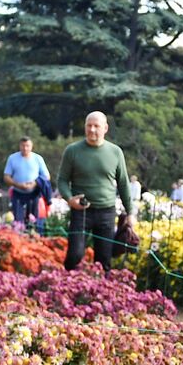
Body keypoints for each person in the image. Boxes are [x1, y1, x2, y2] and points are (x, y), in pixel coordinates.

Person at [56, 111, 135, 271]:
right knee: (75, 255)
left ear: (105, 128)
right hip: (81, 211)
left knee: (104, 260)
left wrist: (131, 212)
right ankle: (66, 287)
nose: (92, 130)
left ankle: (100, 292)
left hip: (106, 212)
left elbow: (123, 183)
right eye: (89, 126)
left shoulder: (115, 152)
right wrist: (70, 199)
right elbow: (62, 180)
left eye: (96, 126)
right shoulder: (72, 150)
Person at [3, 136, 50, 226]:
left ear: (31, 146)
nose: (25, 148)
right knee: (18, 221)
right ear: (19, 146)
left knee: (33, 221)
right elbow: (6, 177)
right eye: (23, 146)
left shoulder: (38, 158)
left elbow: (47, 176)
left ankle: (34, 237)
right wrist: (18, 184)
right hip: (18, 193)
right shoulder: (12, 158)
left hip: (34, 193)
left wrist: (35, 183)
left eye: (27, 146)